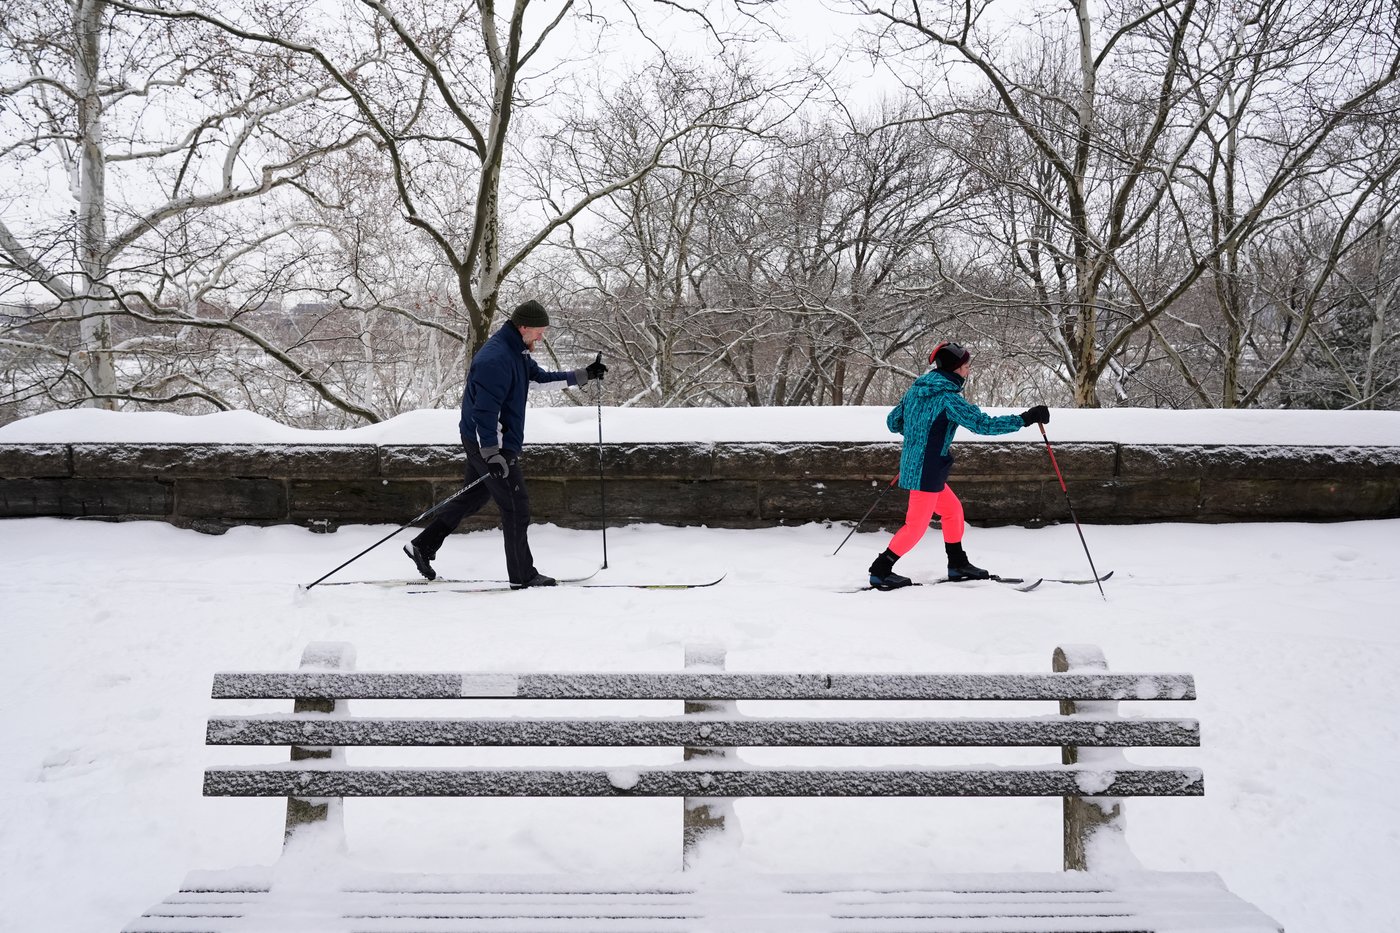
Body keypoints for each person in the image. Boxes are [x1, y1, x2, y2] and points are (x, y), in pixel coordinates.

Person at [403, 299, 607, 587]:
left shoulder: (516, 351)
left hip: (485, 441)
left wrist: (583, 375)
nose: (541, 336)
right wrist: (493, 453)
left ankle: (423, 545)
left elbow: (538, 380)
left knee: (473, 497)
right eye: (539, 331)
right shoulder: (495, 358)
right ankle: (523, 575)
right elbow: (484, 412)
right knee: (516, 506)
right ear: (523, 326)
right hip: (488, 442)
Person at [867, 341, 1050, 590]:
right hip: (927, 471)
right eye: (965, 366)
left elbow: (893, 422)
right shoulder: (948, 399)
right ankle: (880, 570)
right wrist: (1026, 418)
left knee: (953, 511)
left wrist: (920, 437)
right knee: (916, 526)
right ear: (954, 369)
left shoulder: (915, 391)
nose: (968, 370)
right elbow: (983, 425)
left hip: (922, 467)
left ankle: (958, 565)